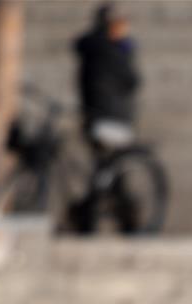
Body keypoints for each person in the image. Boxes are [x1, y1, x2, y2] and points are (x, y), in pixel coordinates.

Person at [70, 2, 142, 233]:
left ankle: (91, 217)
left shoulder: (90, 46)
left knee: (105, 171)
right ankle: (97, 217)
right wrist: (126, 48)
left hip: (92, 118)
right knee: (112, 171)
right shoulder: (115, 50)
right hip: (112, 120)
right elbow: (132, 80)